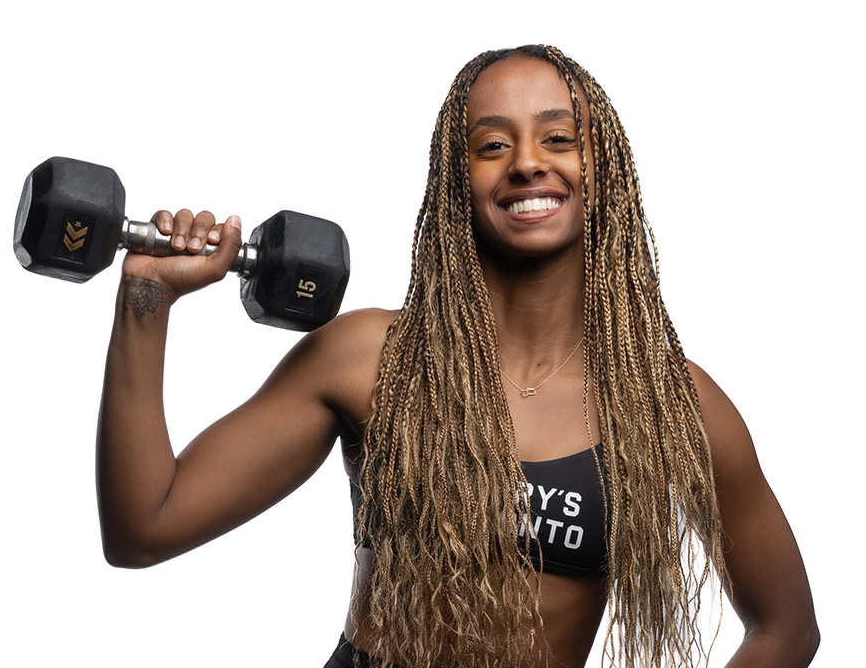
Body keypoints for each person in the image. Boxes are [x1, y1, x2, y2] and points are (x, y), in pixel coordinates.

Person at [96, 45, 819, 667]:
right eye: (492, 145)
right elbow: (146, 527)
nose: (528, 164)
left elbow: (786, 627)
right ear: (456, 181)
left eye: (559, 138)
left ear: (604, 171)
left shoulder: (669, 403)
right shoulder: (368, 359)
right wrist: (146, 300)